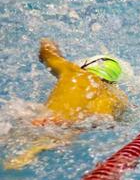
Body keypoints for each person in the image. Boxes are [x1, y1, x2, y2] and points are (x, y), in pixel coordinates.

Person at [3, 39, 128, 169]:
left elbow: (48, 55)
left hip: (45, 122)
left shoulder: (74, 72)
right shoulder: (119, 99)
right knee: (51, 140)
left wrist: (47, 43)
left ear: (85, 66)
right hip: (74, 133)